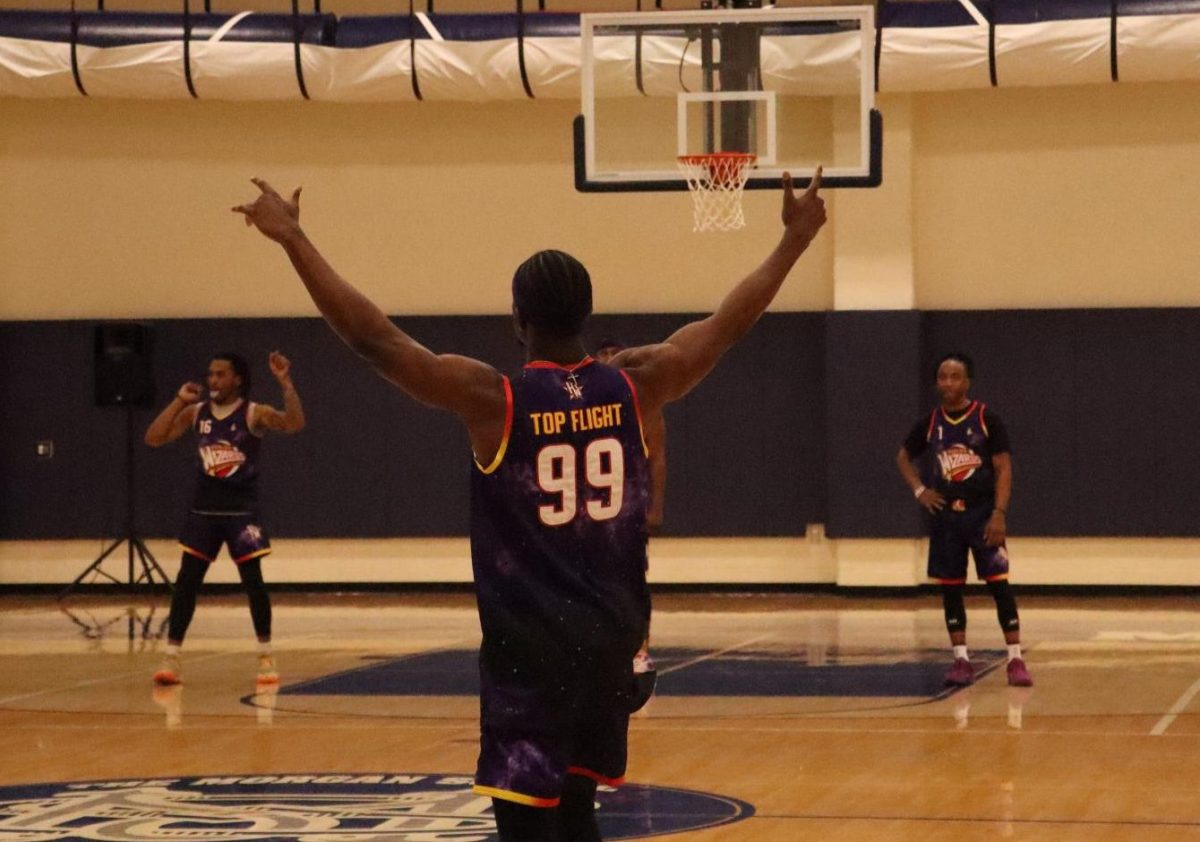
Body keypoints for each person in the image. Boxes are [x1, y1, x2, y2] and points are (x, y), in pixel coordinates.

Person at [233, 169, 825, 842]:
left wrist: (294, 239)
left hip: (534, 657)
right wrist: (794, 241)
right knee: (575, 814)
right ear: (586, 314)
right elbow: (727, 325)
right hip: (614, 648)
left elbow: (376, 342)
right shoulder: (640, 386)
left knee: (525, 825)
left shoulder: (498, 401)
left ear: (518, 319)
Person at [144, 351, 306, 686]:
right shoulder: (196, 412)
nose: (213, 380)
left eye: (220, 374)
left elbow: (294, 423)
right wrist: (177, 401)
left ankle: (265, 656)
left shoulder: (254, 413)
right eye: (210, 374)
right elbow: (154, 438)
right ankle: (172, 658)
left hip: (241, 512)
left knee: (253, 583)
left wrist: (286, 384)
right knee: (187, 582)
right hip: (203, 511)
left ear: (238, 379)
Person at [895, 352, 1032, 689]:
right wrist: (920, 490)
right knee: (951, 591)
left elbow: (1003, 469)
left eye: (955, 377)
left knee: (999, 584)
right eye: (943, 377)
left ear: (967, 381)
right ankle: (960, 659)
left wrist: (999, 513)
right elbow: (902, 456)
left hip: (983, 514)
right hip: (946, 519)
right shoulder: (930, 422)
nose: (948, 383)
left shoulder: (987, 418)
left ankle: (1015, 658)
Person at [594, 338, 665, 711]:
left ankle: (640, 652)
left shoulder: (645, 407)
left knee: (633, 586)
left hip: (628, 512)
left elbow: (658, 459)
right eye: (605, 360)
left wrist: (655, 508)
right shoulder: (584, 407)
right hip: (589, 516)